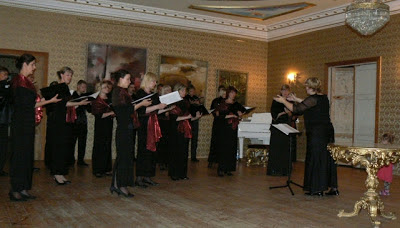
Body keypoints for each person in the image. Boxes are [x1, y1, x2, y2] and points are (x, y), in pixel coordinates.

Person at [274, 77, 338, 196]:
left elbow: (297, 109)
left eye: (306, 87)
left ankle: (317, 189)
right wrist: (295, 98)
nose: (305, 89)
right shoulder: (323, 97)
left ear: (310, 87)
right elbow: (311, 103)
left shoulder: (313, 99)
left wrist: (283, 101)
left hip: (317, 132)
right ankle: (333, 188)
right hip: (327, 131)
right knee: (327, 158)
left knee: (316, 158)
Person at [9, 54, 61, 201]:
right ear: (25, 64)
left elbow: (32, 104)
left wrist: (49, 100)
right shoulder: (17, 81)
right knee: (19, 156)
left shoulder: (28, 82)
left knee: (27, 156)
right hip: (20, 123)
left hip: (28, 123)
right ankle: (15, 190)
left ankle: (24, 188)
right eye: (32, 64)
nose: (35, 67)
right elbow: (21, 104)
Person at [110, 69, 151, 197]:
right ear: (120, 79)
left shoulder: (121, 92)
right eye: (127, 79)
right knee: (124, 158)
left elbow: (125, 108)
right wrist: (141, 104)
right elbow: (124, 111)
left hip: (125, 128)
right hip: (123, 128)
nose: (129, 81)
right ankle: (121, 186)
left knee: (124, 157)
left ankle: (116, 185)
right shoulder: (118, 91)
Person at [47, 67, 90, 185]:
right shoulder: (59, 87)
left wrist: (77, 105)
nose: (69, 77)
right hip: (59, 121)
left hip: (64, 121)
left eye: (71, 75)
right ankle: (57, 174)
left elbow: (67, 105)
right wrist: (80, 103)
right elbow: (63, 104)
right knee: (59, 147)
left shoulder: (65, 88)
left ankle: (61, 173)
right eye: (67, 75)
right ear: (61, 75)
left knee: (64, 147)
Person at [135, 72, 167, 188]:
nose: (155, 83)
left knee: (152, 151)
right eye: (153, 81)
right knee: (143, 150)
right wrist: (158, 107)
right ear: (148, 81)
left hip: (153, 124)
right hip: (144, 125)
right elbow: (141, 111)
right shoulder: (140, 93)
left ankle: (148, 176)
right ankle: (139, 178)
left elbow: (157, 111)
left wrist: (166, 107)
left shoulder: (154, 95)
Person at [169, 84, 201, 180]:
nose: (185, 92)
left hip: (185, 129)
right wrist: (187, 117)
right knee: (176, 151)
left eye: (184, 90)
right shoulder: (173, 102)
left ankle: (182, 173)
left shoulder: (186, 102)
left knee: (184, 152)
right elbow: (173, 118)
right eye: (182, 90)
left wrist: (196, 117)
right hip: (176, 129)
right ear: (177, 91)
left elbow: (189, 117)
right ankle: (174, 174)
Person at [215, 86, 246, 177]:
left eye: (234, 93)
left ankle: (228, 169)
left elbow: (241, 114)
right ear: (228, 93)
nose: (233, 94)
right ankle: (221, 169)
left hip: (233, 127)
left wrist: (240, 115)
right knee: (223, 148)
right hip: (224, 128)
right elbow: (219, 116)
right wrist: (231, 116)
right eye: (232, 92)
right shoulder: (222, 103)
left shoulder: (236, 104)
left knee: (231, 147)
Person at [91, 80, 114, 178]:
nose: (107, 89)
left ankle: (107, 168)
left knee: (107, 145)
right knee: (99, 145)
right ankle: (98, 169)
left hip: (109, 124)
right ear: (99, 88)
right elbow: (98, 115)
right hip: (100, 125)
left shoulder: (109, 99)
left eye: (108, 87)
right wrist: (111, 113)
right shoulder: (96, 100)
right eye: (105, 87)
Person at [270, 84, 298, 161]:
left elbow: (295, 114)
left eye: (287, 90)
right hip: (279, 125)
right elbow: (274, 114)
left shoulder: (292, 101)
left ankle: (288, 162)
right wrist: (283, 113)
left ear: (289, 91)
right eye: (283, 90)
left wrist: (288, 113)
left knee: (288, 145)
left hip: (288, 125)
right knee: (278, 145)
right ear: (281, 91)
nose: (285, 92)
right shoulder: (276, 100)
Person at [70, 80, 91, 166]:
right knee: (72, 142)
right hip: (74, 122)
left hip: (83, 122)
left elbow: (89, 110)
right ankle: (70, 160)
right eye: (82, 87)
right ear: (78, 86)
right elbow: (70, 108)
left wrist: (90, 102)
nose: (84, 88)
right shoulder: (72, 95)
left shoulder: (85, 96)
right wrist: (80, 103)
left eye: (85, 87)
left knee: (82, 142)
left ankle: (80, 161)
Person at [207, 85, 226, 168]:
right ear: (219, 92)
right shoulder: (215, 100)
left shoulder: (227, 101)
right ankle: (211, 161)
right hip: (217, 123)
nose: (223, 92)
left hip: (225, 123)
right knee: (214, 141)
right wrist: (215, 112)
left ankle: (221, 160)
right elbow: (212, 110)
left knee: (223, 143)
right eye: (221, 91)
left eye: (224, 91)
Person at [157, 85, 172, 171]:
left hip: (169, 123)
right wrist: (166, 111)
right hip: (162, 123)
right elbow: (158, 112)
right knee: (162, 143)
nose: (170, 92)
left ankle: (166, 161)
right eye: (168, 90)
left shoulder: (172, 100)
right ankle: (161, 162)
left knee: (168, 142)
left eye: (170, 90)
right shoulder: (160, 99)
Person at [185, 85, 200, 162]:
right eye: (191, 91)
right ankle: (185, 156)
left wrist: (198, 104)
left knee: (195, 139)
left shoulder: (196, 98)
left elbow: (199, 107)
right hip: (188, 120)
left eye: (193, 91)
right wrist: (193, 103)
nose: (192, 92)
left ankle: (193, 157)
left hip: (195, 120)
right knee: (186, 139)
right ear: (188, 91)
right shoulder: (186, 98)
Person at [0, 66, 11, 176]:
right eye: (4, 75)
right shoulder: (4, 87)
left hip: (4, 120)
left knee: (3, 146)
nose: (6, 77)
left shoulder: (7, 87)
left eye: (7, 75)